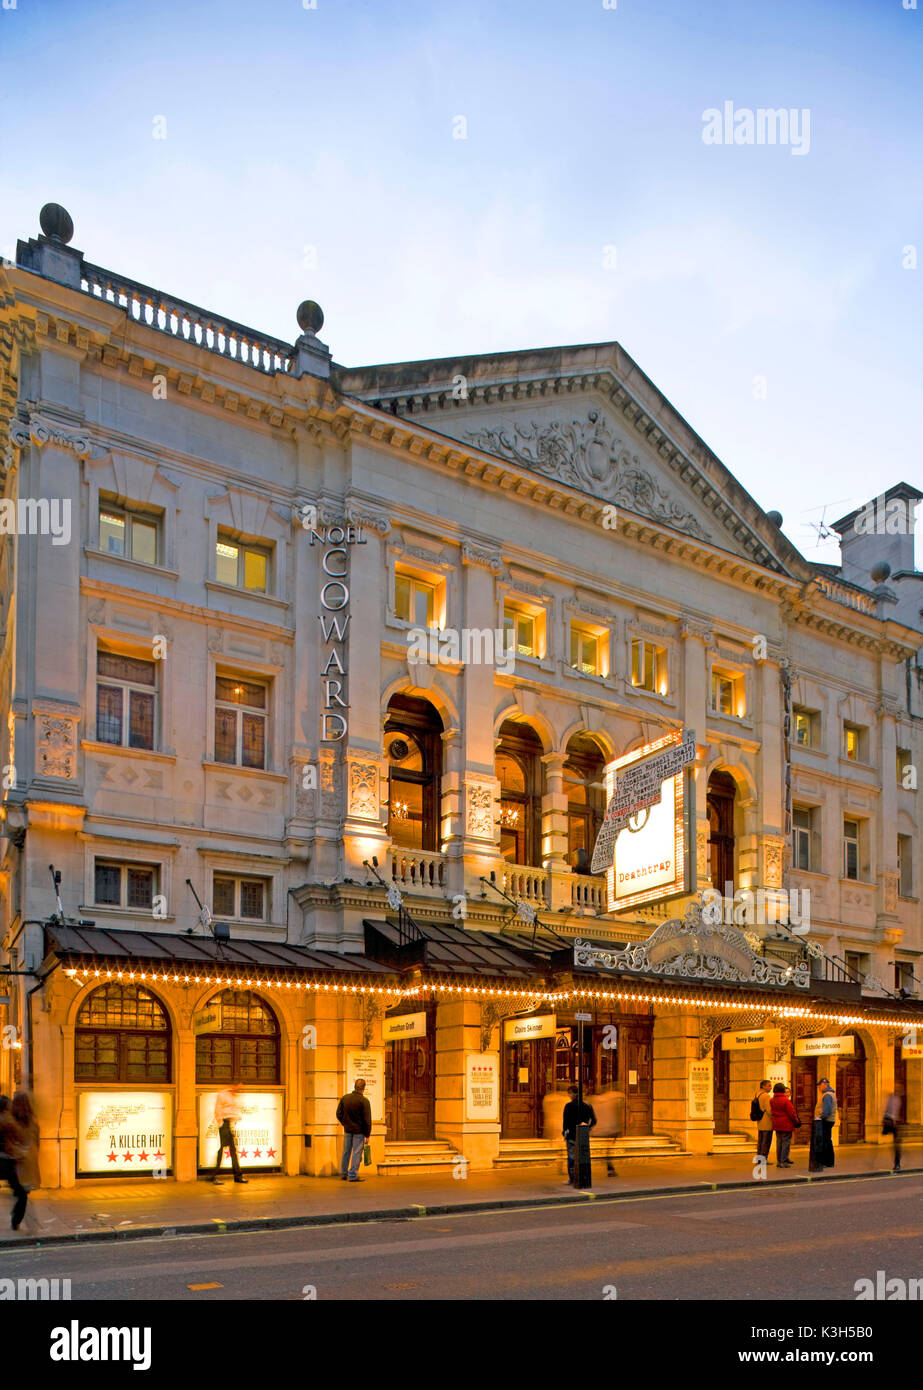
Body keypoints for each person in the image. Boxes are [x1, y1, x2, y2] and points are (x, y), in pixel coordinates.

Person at [0, 1092, 32, 1231]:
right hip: (6, 1161)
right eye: (9, 1105)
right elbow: (17, 1138)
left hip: (6, 1161)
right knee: (21, 1194)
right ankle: (16, 1220)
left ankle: (16, 1219)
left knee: (20, 1192)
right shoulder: (7, 1121)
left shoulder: (7, 1119)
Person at [211, 1082, 248, 1184]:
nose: (240, 1089)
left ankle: (236, 1176)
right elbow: (218, 1110)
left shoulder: (235, 1096)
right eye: (239, 1086)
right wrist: (221, 1123)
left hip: (230, 1124)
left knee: (231, 1150)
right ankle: (215, 1176)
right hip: (225, 1124)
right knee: (224, 1150)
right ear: (234, 1085)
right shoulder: (223, 1094)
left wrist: (236, 1119)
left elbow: (235, 1110)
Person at [336, 1078, 371, 1182]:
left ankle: (343, 1173)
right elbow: (367, 1120)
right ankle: (352, 1175)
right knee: (356, 1153)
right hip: (359, 1132)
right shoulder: (364, 1101)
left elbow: (338, 1114)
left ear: (355, 1086)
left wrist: (345, 1123)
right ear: (363, 1088)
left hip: (347, 1130)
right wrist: (367, 1134)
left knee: (346, 1152)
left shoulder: (345, 1098)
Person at [561, 1085, 596, 1184]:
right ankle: (582, 1177)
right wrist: (587, 1128)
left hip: (572, 1134)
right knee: (582, 1156)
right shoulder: (587, 1106)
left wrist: (564, 1132)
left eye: (570, 1093)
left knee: (571, 1157)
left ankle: (572, 1178)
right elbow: (594, 1120)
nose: (569, 1096)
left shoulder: (568, 1106)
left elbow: (565, 1122)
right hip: (583, 1136)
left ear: (573, 1093)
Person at [769, 1082, 800, 1167]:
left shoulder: (772, 1100)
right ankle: (784, 1161)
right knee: (786, 1143)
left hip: (777, 1124)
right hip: (786, 1124)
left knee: (779, 1142)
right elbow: (792, 1113)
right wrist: (796, 1122)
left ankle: (779, 1161)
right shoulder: (785, 1100)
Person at [814, 1077, 837, 1169]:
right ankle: (828, 1161)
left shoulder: (827, 1095)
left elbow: (827, 1110)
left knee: (826, 1141)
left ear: (825, 1085)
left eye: (820, 1085)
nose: (819, 1087)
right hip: (828, 1120)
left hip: (826, 1121)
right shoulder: (828, 1094)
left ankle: (828, 1161)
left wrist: (820, 1117)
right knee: (826, 1140)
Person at [882, 1087, 903, 1173]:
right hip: (890, 1122)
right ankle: (897, 1164)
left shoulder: (897, 1099)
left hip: (895, 1123)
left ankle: (897, 1164)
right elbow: (887, 1110)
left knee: (896, 1145)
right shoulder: (891, 1098)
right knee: (896, 1145)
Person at [753, 1079, 773, 1161]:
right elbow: (769, 1110)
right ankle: (764, 1159)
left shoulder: (757, 1094)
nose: (771, 1088)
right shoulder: (766, 1096)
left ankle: (759, 1158)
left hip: (760, 1121)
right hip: (767, 1121)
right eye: (769, 1085)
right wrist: (773, 1116)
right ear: (763, 1086)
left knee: (760, 1141)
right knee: (766, 1141)